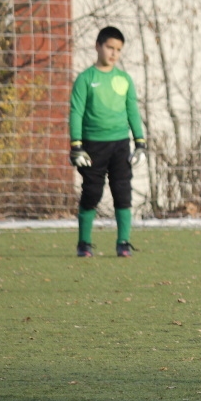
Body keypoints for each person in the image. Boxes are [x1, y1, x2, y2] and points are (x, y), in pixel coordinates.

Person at [69, 26, 147, 258]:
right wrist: (76, 145)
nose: (113, 53)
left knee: (122, 192)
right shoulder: (85, 79)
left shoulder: (124, 80)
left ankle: (123, 242)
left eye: (118, 50)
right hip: (93, 147)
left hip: (120, 145)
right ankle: (84, 243)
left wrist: (140, 142)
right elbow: (76, 112)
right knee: (92, 193)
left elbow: (132, 111)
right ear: (98, 46)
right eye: (110, 47)